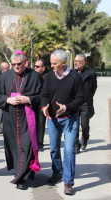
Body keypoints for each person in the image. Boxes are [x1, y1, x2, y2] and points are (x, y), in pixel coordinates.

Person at [0, 52, 43, 190]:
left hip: (28, 117)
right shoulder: (5, 77)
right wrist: (8, 100)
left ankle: (21, 178)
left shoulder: (35, 76)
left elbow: (43, 97)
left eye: (19, 64)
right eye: (13, 64)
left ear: (25, 62)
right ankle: (25, 170)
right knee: (16, 147)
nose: (16, 67)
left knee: (26, 145)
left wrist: (29, 99)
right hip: (10, 118)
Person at [41, 50, 84, 195]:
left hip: (70, 119)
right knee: (54, 149)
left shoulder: (75, 78)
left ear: (63, 63)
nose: (51, 66)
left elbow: (80, 99)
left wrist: (66, 107)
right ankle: (57, 172)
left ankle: (68, 182)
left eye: (54, 64)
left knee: (69, 150)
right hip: (53, 119)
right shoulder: (48, 77)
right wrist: (44, 106)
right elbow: (44, 95)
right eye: (51, 63)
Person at [74, 54, 97, 154]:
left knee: (85, 125)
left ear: (83, 63)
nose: (75, 63)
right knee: (75, 125)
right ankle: (76, 145)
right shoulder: (71, 73)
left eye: (77, 61)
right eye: (74, 60)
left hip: (85, 103)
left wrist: (88, 97)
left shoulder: (90, 73)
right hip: (74, 103)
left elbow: (94, 88)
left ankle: (85, 138)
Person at [34, 59, 47, 151]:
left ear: (43, 68)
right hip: (33, 102)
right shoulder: (32, 76)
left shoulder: (48, 77)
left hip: (43, 103)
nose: (35, 68)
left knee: (41, 123)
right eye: (34, 66)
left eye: (37, 66)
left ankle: (40, 143)